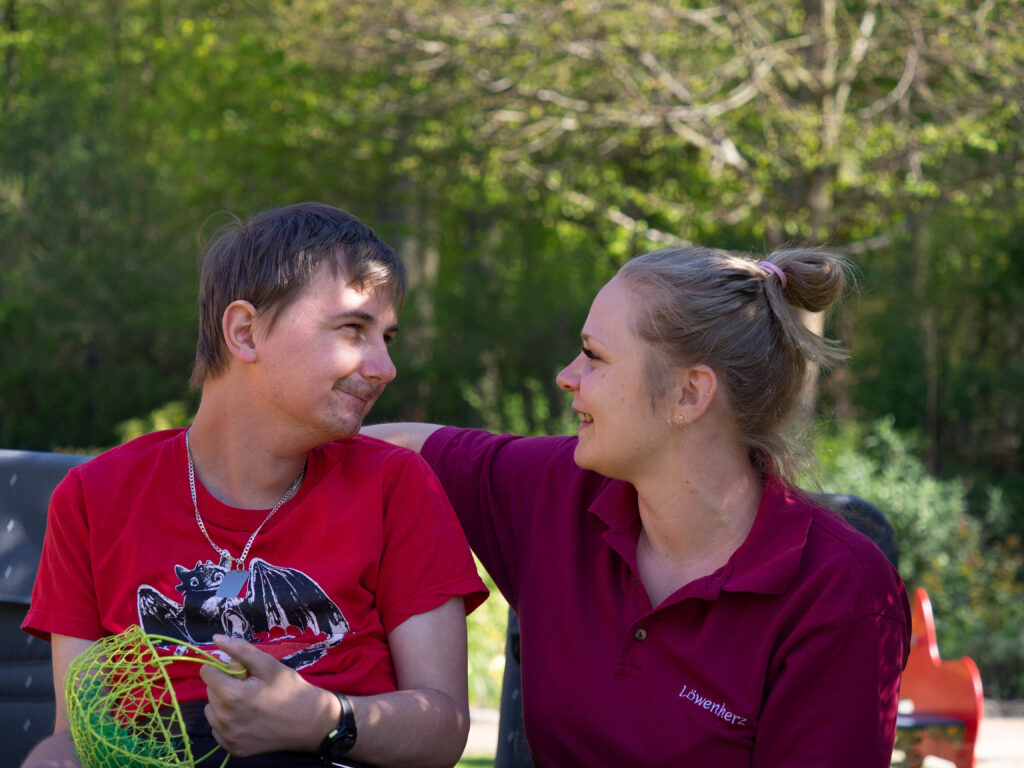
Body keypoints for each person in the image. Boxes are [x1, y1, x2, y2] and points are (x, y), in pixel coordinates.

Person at [365, 246, 911, 766]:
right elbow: (401, 449)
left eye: (593, 355)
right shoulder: (561, 488)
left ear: (689, 395)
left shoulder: (843, 593)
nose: (567, 376)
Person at [21, 202, 487, 768]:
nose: (384, 367)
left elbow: (442, 728)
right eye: (353, 329)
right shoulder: (95, 499)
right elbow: (74, 735)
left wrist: (324, 719)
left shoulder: (396, 488)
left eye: (386, 337)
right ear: (245, 332)